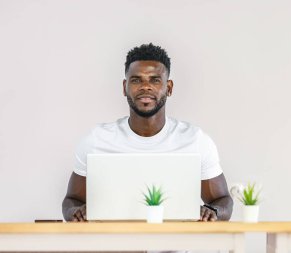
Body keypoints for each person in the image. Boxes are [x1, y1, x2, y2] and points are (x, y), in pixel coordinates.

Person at [62, 43, 233, 222]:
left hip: (177, 247)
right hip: (116, 246)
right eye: (136, 80)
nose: (145, 87)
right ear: (124, 87)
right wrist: (75, 212)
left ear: (169, 87)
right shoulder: (96, 140)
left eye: (155, 80)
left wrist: (212, 211)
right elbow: (72, 200)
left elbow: (222, 200)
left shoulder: (195, 140)